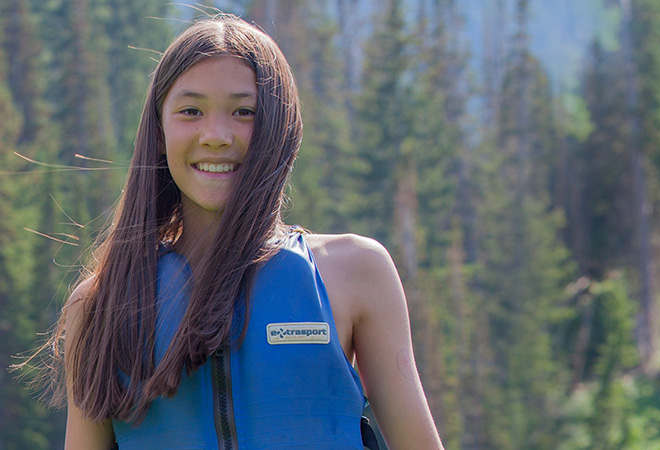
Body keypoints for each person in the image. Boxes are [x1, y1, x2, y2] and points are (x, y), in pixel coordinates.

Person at [32, 14, 443, 449]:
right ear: (158, 131)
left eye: (243, 112)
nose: (216, 135)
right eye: (191, 111)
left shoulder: (355, 273)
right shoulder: (101, 303)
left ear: (278, 128)